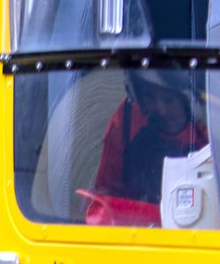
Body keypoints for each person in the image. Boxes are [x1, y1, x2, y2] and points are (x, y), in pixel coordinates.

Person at [83, 69, 209, 225]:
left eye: (168, 99)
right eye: (149, 96)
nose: (161, 110)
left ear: (189, 100)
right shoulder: (127, 119)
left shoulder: (212, 127)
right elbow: (106, 189)